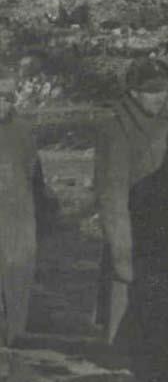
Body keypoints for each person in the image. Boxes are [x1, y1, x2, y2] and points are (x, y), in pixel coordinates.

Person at [94, 55, 168, 381]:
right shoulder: (116, 129)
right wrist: (121, 253)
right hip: (135, 232)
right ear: (133, 92)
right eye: (151, 91)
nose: (159, 97)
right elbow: (112, 197)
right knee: (129, 321)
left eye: (163, 90)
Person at [0, 67, 39, 347]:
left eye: (9, 97)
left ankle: (15, 339)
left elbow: (31, 171)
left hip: (17, 215)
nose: (4, 103)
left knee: (18, 274)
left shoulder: (23, 130)